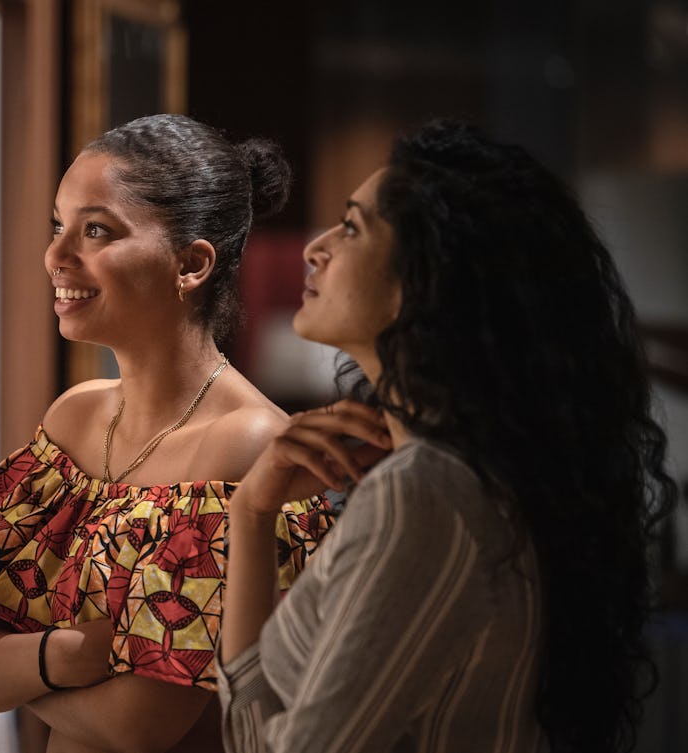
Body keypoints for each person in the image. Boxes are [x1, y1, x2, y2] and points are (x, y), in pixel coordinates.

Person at [218, 119, 676, 753]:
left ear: (428, 276)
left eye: (352, 227)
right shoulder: (452, 478)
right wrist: (251, 514)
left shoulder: (423, 494)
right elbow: (250, 735)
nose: (314, 247)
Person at [0, 114, 331, 753]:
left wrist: (15, 669)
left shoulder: (245, 443)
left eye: (96, 230)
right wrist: (70, 655)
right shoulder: (75, 416)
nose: (56, 256)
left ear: (190, 264)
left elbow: (138, 724)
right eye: (60, 225)